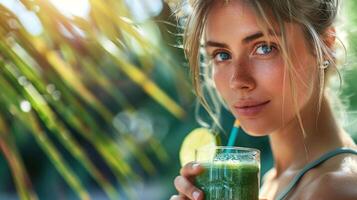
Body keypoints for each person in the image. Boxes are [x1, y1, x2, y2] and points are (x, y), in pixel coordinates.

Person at [170, 0, 357, 199]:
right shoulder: (270, 183)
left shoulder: (333, 189)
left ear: (325, 44)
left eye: (264, 48)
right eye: (222, 54)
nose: (238, 81)